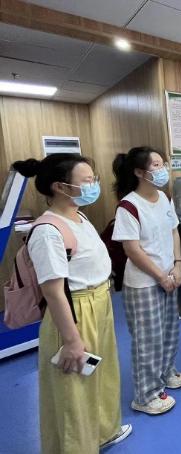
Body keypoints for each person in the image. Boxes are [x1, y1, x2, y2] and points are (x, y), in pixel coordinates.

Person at [12, 154, 131, 453]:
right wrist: (72, 340)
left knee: (101, 374)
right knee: (73, 389)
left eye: (94, 179)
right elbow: (53, 292)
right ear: (60, 187)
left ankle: (103, 431)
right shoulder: (48, 231)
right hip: (75, 310)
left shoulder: (80, 217)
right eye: (87, 180)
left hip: (99, 302)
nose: (94, 185)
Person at [112, 146, 181, 415]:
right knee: (148, 339)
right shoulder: (129, 205)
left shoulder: (164, 198)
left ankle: (166, 373)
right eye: (156, 165)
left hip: (169, 275)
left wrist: (178, 265)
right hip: (144, 282)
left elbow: (174, 232)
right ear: (139, 172)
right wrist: (160, 276)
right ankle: (145, 396)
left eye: (162, 163)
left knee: (169, 332)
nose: (162, 169)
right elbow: (132, 249)